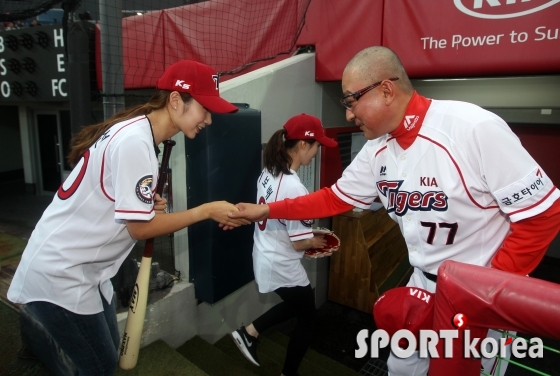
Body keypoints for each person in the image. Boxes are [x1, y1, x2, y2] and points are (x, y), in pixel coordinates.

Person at [228, 46, 560, 376]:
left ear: (386, 90)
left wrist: (486, 290)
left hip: (479, 293)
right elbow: (334, 198)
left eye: (350, 100)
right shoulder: (377, 148)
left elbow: (543, 216)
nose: (347, 114)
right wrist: (267, 210)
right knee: (401, 368)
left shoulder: (472, 127)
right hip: (422, 285)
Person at [7, 59, 249, 376]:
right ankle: (38, 336)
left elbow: (122, 205)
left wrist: (147, 205)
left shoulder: (138, 131)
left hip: (86, 270)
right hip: (61, 274)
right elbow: (138, 229)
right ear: (176, 100)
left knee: (102, 357)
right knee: (100, 368)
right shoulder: (136, 141)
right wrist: (205, 211)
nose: (209, 119)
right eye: (204, 108)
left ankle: (39, 340)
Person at [230, 114, 338, 376]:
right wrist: (315, 241)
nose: (316, 152)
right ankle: (286, 371)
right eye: (316, 146)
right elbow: (300, 243)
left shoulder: (268, 171)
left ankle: (250, 333)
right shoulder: (296, 188)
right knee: (308, 316)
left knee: (300, 305)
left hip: (266, 254)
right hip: (281, 262)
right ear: (303, 145)